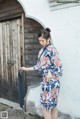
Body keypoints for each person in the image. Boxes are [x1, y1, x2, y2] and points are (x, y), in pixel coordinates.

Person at [20, 28, 62, 119]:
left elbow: (59, 67)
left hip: (53, 83)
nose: (41, 42)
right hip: (45, 82)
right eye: (39, 40)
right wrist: (26, 69)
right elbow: (39, 66)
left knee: (47, 108)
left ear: (48, 39)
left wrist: (51, 72)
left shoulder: (52, 50)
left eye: (42, 40)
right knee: (51, 107)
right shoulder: (41, 51)